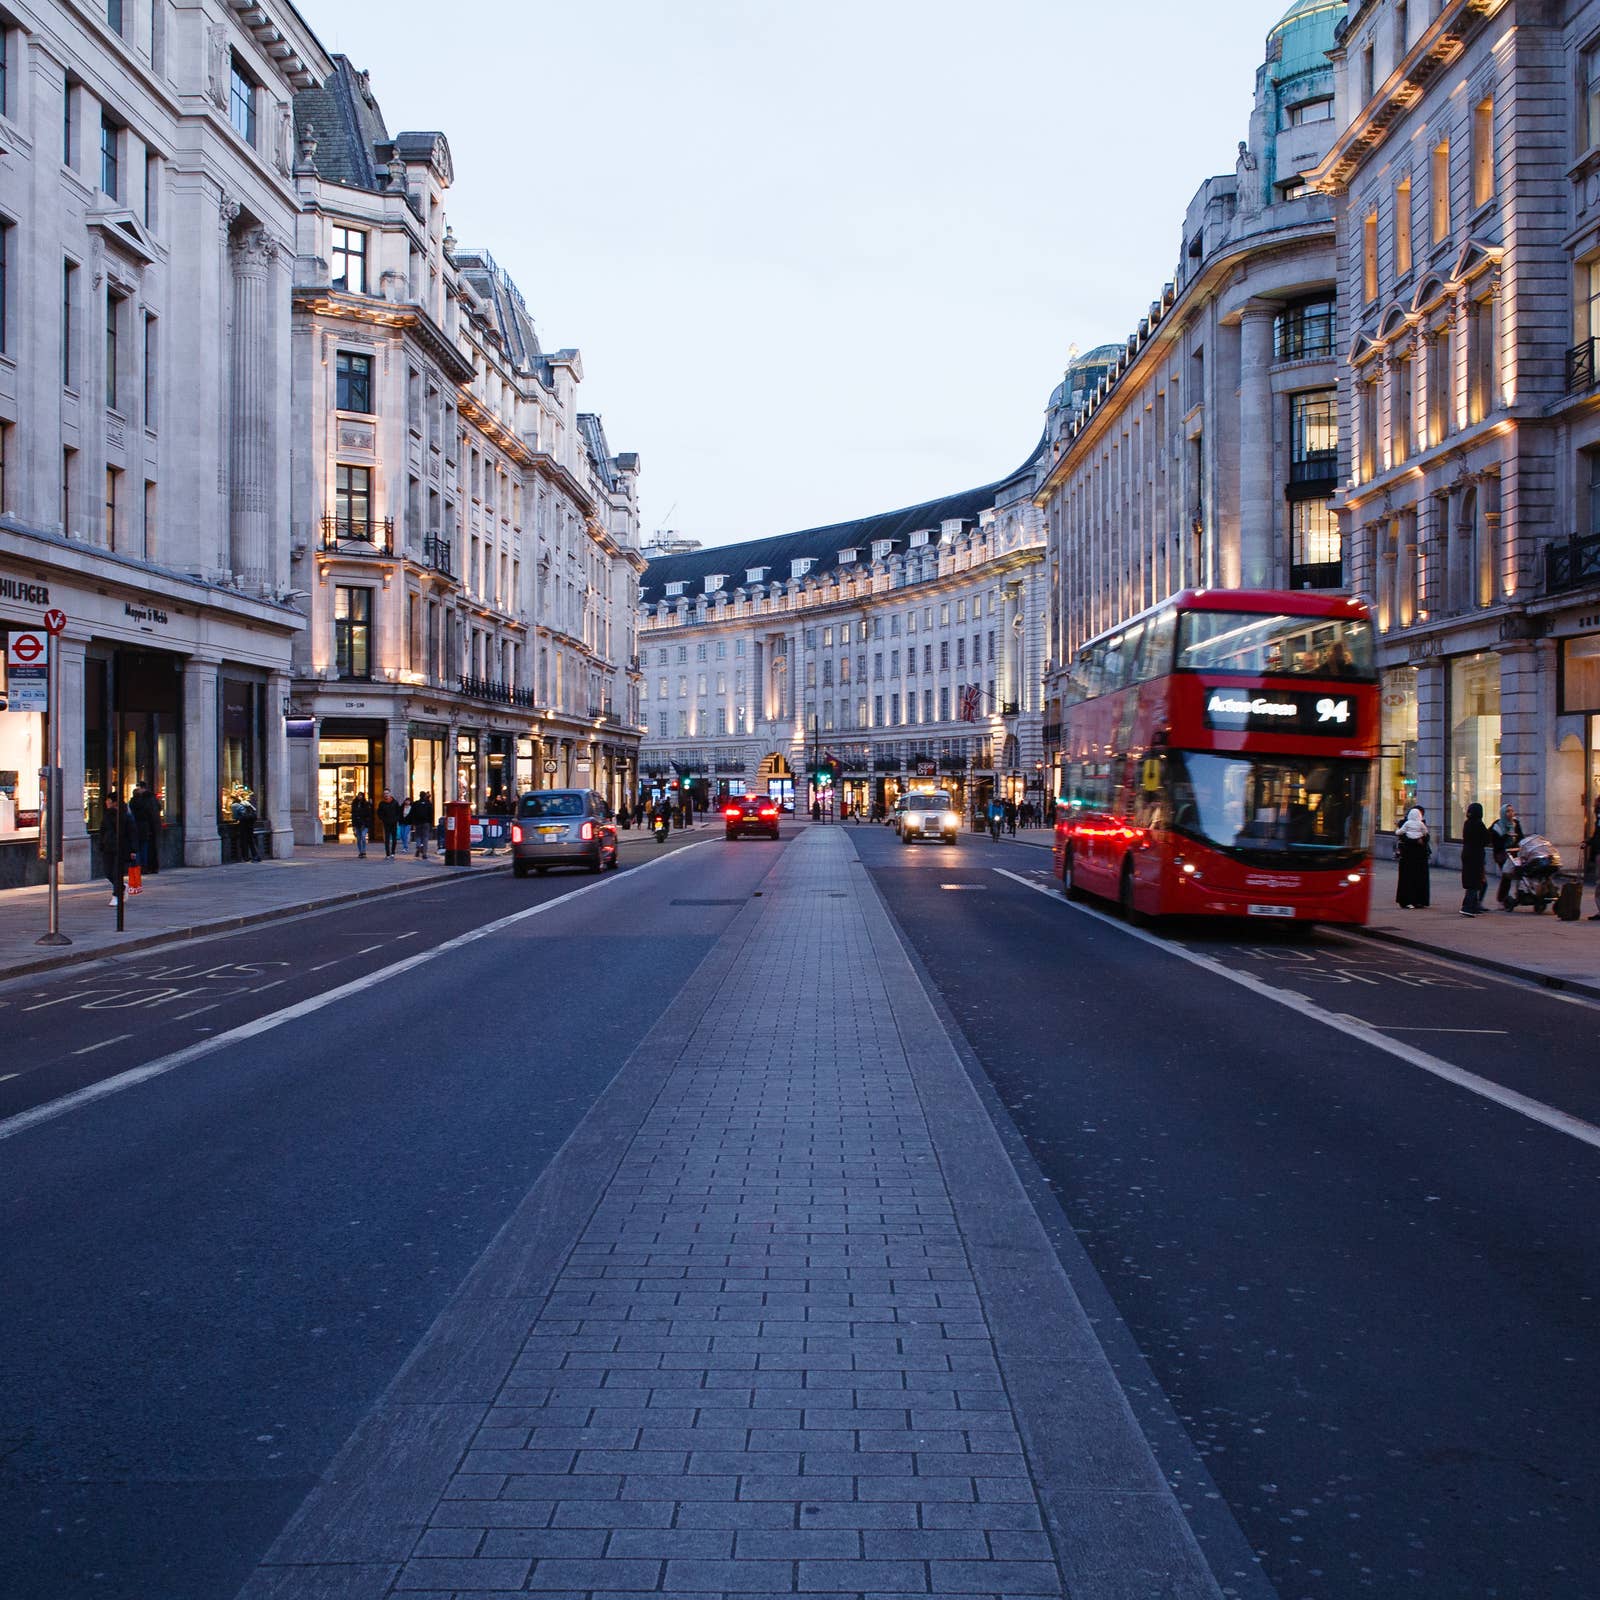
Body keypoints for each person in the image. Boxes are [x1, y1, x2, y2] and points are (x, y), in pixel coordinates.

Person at [99, 796, 135, 905]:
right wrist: (102, 843)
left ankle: (116, 895)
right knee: (108, 872)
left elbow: (132, 833)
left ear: (115, 803)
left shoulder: (125, 816)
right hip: (108, 847)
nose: (106, 803)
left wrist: (133, 850)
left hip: (122, 848)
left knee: (116, 872)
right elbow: (102, 831)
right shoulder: (106, 816)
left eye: (109, 801)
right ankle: (122, 887)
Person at [1394, 806, 1431, 908]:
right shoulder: (1406, 823)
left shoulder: (1420, 823)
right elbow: (1403, 837)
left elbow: (1427, 836)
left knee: (1417, 878)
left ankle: (1419, 900)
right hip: (1409, 855)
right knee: (1409, 879)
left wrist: (1421, 839)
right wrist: (1417, 840)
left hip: (1418, 856)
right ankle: (1408, 900)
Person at [1489, 803, 1524, 910]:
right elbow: (1495, 841)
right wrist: (1506, 836)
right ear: (1503, 813)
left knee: (1521, 874)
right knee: (1507, 876)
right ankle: (1502, 899)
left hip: (1515, 853)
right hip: (1503, 854)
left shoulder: (1515, 823)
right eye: (1508, 811)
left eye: (1512, 811)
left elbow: (1521, 837)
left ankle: (1520, 895)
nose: (1510, 813)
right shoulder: (1497, 826)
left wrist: (1520, 844)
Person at [1460, 801, 1490, 916]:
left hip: (1467, 854)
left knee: (1473, 880)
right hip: (1476, 855)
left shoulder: (1467, 823)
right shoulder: (1478, 824)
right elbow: (1486, 839)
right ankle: (1468, 906)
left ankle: (1474, 904)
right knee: (1475, 881)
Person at [130, 781, 161, 873]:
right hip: (151, 826)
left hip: (145, 826)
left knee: (143, 847)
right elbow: (158, 808)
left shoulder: (142, 799)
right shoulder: (152, 798)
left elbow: (145, 813)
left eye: (138, 787)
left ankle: (143, 866)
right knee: (149, 848)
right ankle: (151, 867)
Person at [230, 789, 260, 861]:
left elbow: (235, 817)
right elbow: (254, 811)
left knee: (243, 840)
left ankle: (245, 857)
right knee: (250, 839)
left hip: (243, 823)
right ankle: (255, 855)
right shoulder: (246, 803)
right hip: (250, 822)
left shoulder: (234, 805)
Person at [376, 790, 401, 859]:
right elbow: (379, 813)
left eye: (387, 793)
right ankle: (387, 854)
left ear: (390, 794)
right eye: (384, 793)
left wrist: (396, 819)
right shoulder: (382, 803)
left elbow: (398, 812)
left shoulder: (395, 802)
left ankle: (393, 852)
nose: (386, 795)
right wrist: (383, 819)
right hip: (386, 823)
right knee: (386, 839)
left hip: (393, 823)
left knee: (394, 839)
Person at [350, 791, 373, 858]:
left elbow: (368, 815)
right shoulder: (354, 804)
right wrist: (353, 825)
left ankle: (364, 851)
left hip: (364, 824)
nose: (359, 797)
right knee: (359, 838)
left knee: (363, 837)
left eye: (361, 795)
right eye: (358, 795)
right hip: (357, 824)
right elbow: (353, 815)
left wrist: (365, 823)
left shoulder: (366, 804)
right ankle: (360, 852)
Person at [411, 790, 435, 859]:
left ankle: (418, 846)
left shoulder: (416, 803)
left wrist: (413, 822)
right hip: (426, 823)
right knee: (425, 837)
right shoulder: (428, 804)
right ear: (425, 796)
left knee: (418, 836)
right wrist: (431, 823)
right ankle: (424, 853)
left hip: (418, 823)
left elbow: (412, 813)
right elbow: (431, 814)